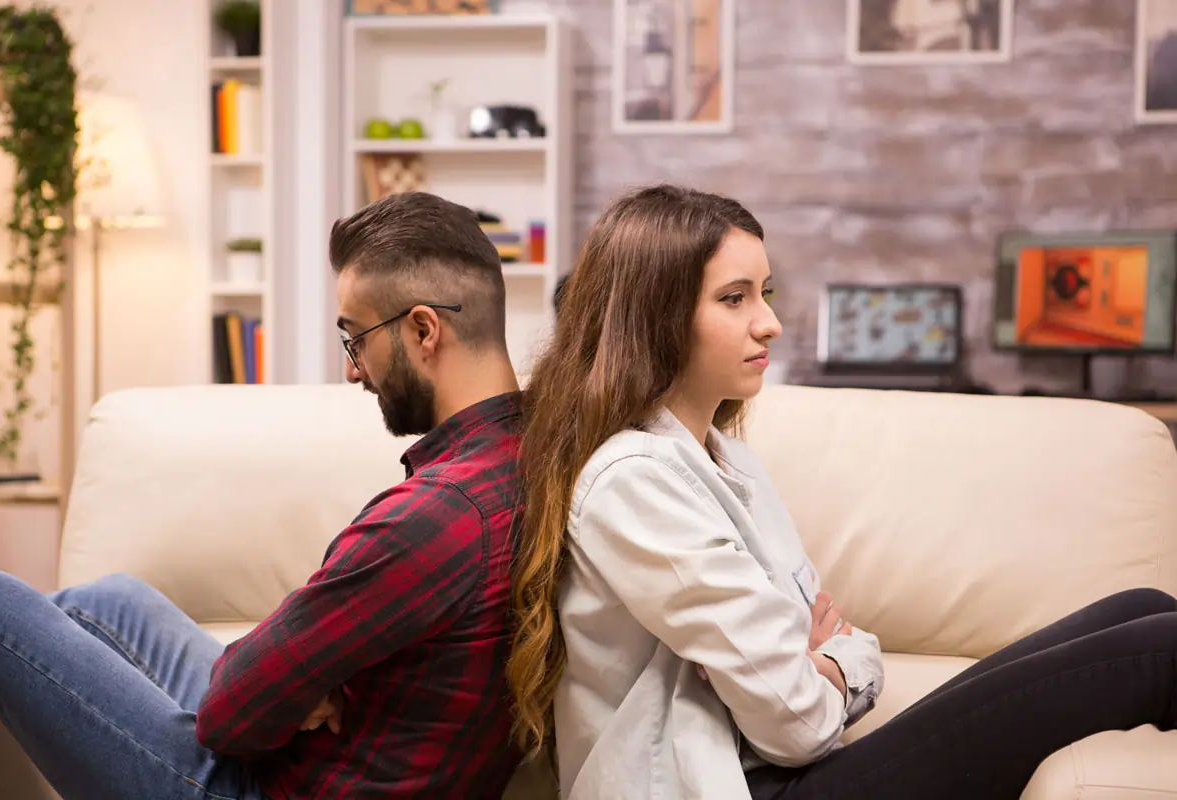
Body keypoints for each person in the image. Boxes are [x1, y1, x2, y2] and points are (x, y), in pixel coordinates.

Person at [504, 183, 1177, 800]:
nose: (768, 323)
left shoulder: (727, 461)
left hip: (781, 769)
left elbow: (829, 638)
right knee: (1157, 651)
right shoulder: (634, 481)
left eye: (765, 293)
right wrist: (826, 665)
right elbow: (795, 721)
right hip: (737, 789)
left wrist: (827, 661)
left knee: (1142, 605)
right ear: (654, 317)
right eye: (734, 298)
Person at [0, 191, 526, 800]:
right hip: (293, 756)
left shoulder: (436, 517)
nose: (352, 370)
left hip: (257, 790)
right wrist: (302, 685)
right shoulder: (515, 459)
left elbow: (225, 718)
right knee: (110, 599)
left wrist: (281, 691)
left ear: (424, 329)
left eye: (356, 337)